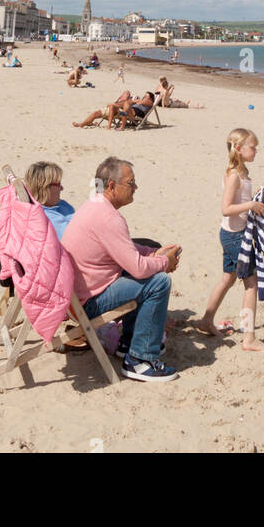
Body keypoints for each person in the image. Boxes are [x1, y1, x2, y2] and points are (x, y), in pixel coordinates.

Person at [61, 156, 180, 382]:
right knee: (158, 282)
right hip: (87, 304)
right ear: (112, 186)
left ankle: (129, 343)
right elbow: (138, 268)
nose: (136, 187)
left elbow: (122, 247)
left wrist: (151, 253)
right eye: (131, 183)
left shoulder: (95, 204)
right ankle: (140, 360)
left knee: (146, 271)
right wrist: (165, 262)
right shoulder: (108, 217)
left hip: (78, 296)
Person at [195, 128, 264, 350]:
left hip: (232, 234)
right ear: (238, 148)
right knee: (251, 284)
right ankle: (249, 337)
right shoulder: (234, 175)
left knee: (228, 278)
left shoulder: (241, 172)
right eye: (252, 147)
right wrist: (251, 205)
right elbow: (226, 208)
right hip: (236, 237)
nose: (256, 151)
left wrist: (258, 195)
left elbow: (242, 197)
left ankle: (206, 321)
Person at [24, 161, 76, 239]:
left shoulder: (60, 204)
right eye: (58, 184)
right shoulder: (47, 218)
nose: (62, 188)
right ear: (45, 188)